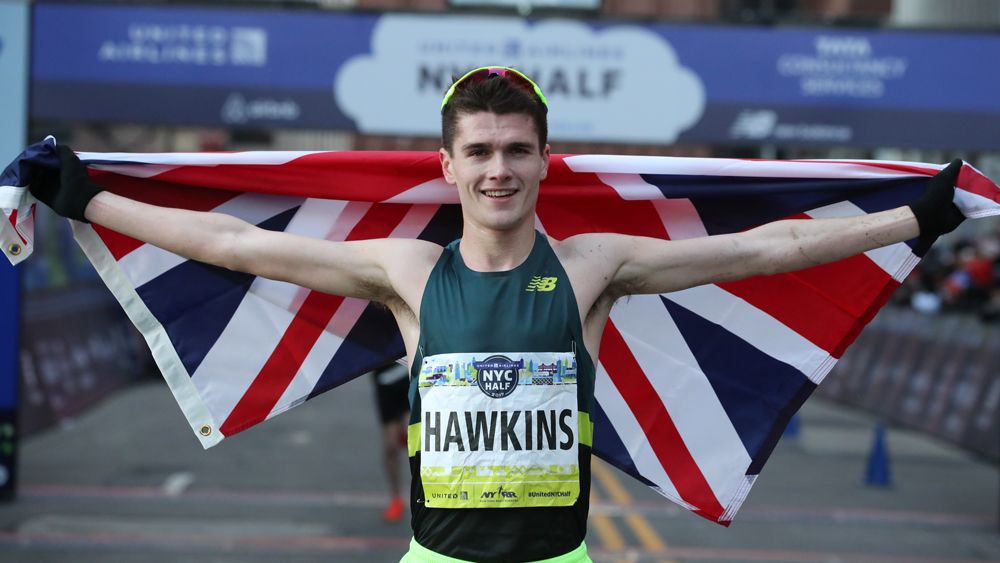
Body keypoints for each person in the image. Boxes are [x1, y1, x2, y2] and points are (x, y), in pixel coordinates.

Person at [30, 66, 964, 563]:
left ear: (545, 159)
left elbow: (770, 249)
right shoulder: (406, 269)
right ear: (447, 165)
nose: (498, 169)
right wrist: (84, 201)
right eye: (478, 150)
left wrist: (920, 215)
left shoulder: (594, 264)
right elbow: (233, 245)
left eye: (517, 149)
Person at [370, 361, 411, 522]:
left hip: (408, 377)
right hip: (384, 381)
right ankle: (396, 498)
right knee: (391, 446)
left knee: (414, 436)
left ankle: (426, 496)